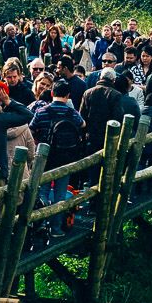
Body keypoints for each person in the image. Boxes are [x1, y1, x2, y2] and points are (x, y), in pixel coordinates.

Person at [30, 81, 86, 236]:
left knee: (42, 191)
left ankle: (40, 225)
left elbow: (31, 129)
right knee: (60, 194)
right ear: (68, 96)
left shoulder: (41, 111)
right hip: (65, 158)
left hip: (45, 158)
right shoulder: (72, 113)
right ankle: (55, 229)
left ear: (52, 93)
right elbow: (83, 124)